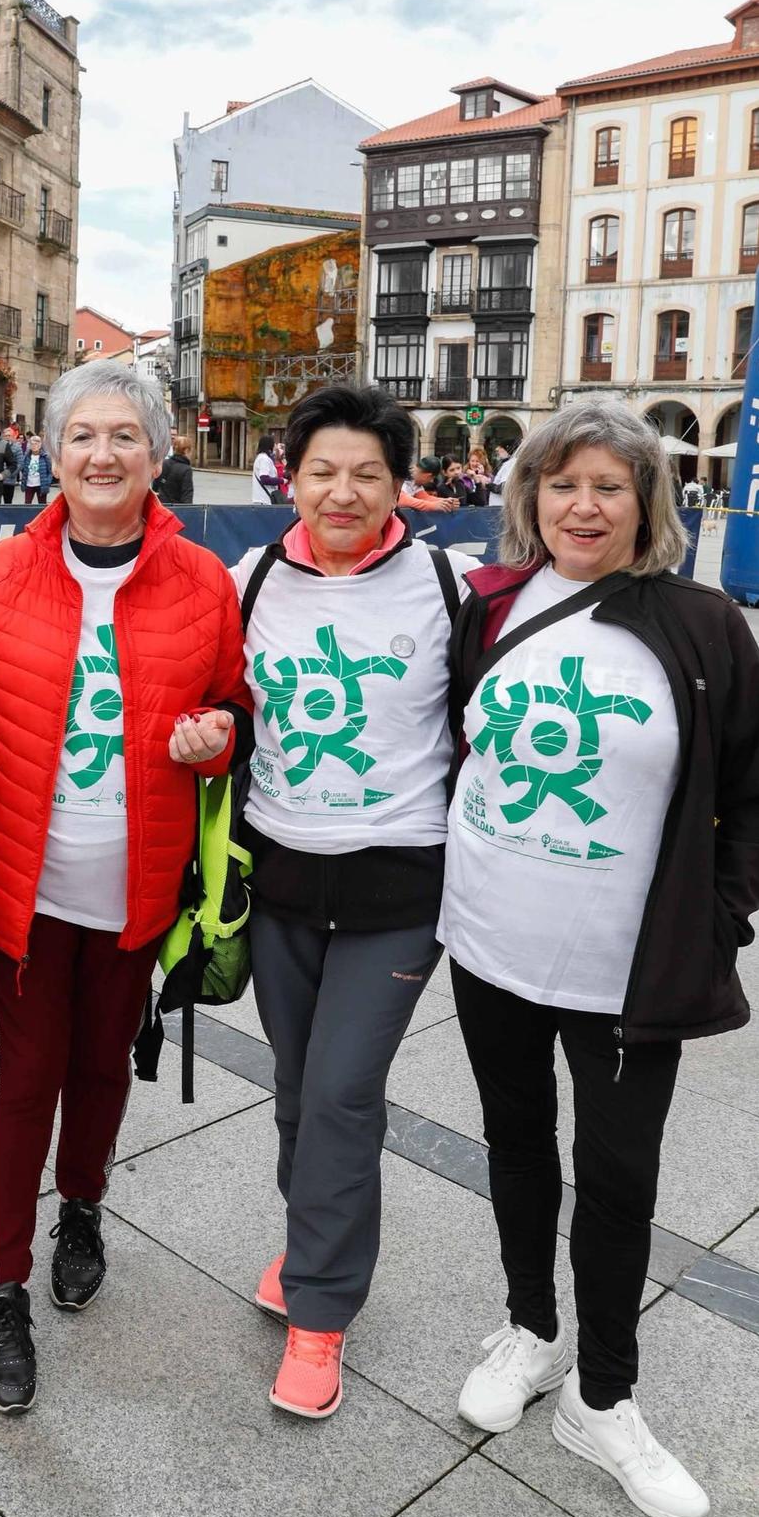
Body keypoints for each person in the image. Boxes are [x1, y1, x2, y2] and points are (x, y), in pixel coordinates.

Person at [442, 403, 759, 1517]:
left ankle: (603, 1393)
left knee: (619, 1177)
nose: (583, 504)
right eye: (562, 482)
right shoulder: (486, 607)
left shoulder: (705, 624)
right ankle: (529, 1329)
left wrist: (722, 915)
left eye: (609, 487)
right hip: (489, 942)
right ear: (529, 497)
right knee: (517, 1142)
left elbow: (748, 791)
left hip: (632, 965)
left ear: (645, 507)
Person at [0, 361, 249, 1415]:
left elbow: (230, 704)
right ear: (50, 454)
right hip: (21, 879)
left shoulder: (200, 579)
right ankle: (1, 1279)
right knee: (24, 1074)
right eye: (81, 436)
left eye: (124, 435)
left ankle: (84, 1203)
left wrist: (217, 736)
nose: (102, 453)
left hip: (140, 886)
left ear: (158, 455)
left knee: (104, 1061)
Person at [232, 383, 470, 1421]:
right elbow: (207, 694)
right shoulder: (249, 579)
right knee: (294, 1086)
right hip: (280, 879)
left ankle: (322, 1311)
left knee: (338, 1092)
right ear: (288, 473)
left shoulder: (448, 581)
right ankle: (312, 1237)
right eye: (321, 469)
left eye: (366, 472)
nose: (342, 490)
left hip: (398, 885)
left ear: (398, 484)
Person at [156, 433, 194, 505]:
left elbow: (155, 486)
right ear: (186, 450)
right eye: (190, 450)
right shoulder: (186, 469)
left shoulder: (164, 463)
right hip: (176, 509)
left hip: (161, 507)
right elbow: (187, 494)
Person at [19, 432, 52, 505]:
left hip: (41, 485)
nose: (34, 446)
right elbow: (22, 468)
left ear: (40, 445)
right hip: (29, 485)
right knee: (27, 504)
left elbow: (50, 471)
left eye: (36, 444)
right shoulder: (26, 456)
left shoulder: (45, 457)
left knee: (42, 505)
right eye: (32, 444)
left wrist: (47, 482)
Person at [252, 433, 282, 504]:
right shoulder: (264, 459)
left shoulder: (262, 457)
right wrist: (281, 480)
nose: (275, 445)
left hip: (263, 499)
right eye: (274, 443)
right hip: (264, 500)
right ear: (269, 445)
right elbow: (264, 479)